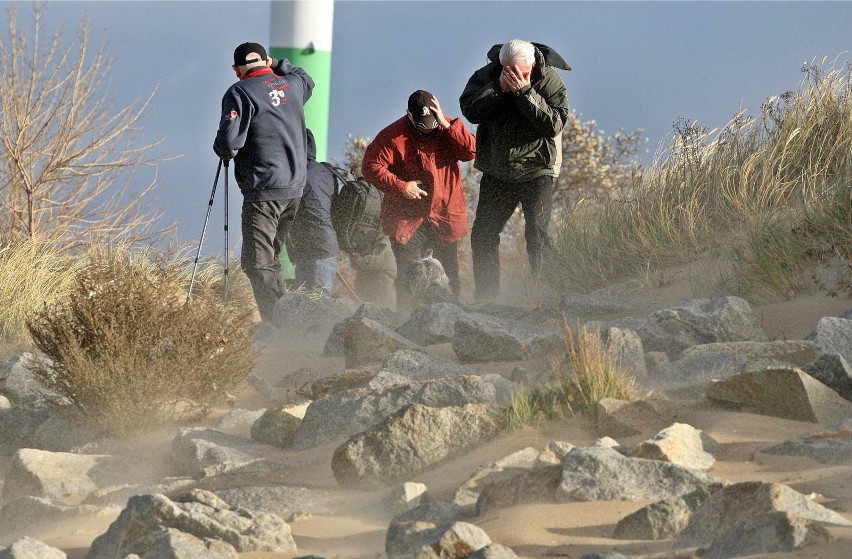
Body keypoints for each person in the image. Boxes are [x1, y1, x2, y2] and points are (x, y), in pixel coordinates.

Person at [459, 39, 570, 302]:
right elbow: (470, 110)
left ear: (532, 65)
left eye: (519, 71)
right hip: (498, 170)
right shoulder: (486, 76)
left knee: (538, 235)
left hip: (537, 169)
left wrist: (525, 93)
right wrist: (497, 89)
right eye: (505, 69)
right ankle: (486, 299)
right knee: (484, 234)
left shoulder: (549, 81)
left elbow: (555, 124)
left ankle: (543, 296)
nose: (512, 75)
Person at [213, 42, 314, 321]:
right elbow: (307, 77)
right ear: (266, 62)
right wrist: (279, 64)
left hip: (265, 190)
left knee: (256, 263)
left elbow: (230, 142)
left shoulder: (239, 91)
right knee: (270, 259)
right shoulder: (293, 84)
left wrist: (220, 147)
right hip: (295, 189)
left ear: (236, 70)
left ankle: (277, 324)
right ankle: (286, 317)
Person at [362, 90, 476, 314]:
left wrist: (447, 124)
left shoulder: (446, 128)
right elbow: (370, 166)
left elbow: (471, 151)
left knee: (449, 274)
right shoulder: (392, 136)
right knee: (408, 275)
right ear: (409, 115)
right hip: (406, 219)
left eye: (431, 123)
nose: (427, 129)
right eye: (421, 125)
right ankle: (406, 321)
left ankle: (452, 321)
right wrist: (402, 187)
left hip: (443, 215)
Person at [286, 129, 339, 297]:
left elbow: (288, 214)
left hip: (313, 251)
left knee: (313, 307)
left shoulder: (298, 175)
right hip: (326, 248)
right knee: (315, 304)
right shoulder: (324, 171)